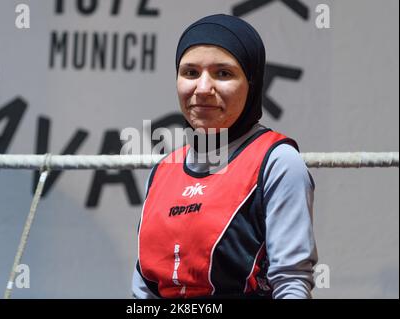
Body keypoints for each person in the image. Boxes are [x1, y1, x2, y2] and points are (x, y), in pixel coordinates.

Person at [132, 14, 318, 299]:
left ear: (252, 83)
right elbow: (144, 290)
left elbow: (291, 282)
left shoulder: (278, 162)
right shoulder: (163, 170)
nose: (203, 89)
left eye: (223, 73)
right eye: (190, 73)